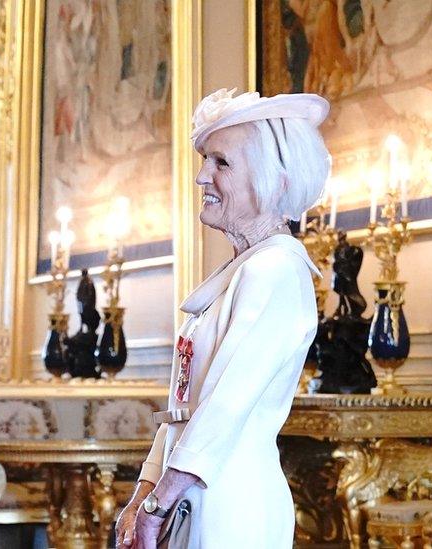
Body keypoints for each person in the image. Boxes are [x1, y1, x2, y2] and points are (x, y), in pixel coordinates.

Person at [116, 88, 330, 548]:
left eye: (221, 163)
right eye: (204, 160)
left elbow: (224, 406)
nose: (201, 177)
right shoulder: (242, 270)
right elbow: (183, 410)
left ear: (270, 179)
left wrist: (156, 506)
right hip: (191, 498)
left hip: (232, 508)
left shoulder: (276, 269)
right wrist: (143, 495)